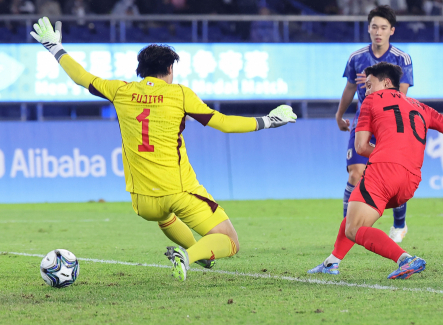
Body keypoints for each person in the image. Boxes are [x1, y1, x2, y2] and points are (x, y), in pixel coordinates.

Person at [30, 17, 297, 282]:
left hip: (143, 203)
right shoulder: (179, 93)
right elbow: (224, 124)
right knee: (229, 240)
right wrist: (270, 121)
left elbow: (81, 77)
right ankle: (189, 256)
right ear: (169, 68)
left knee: (164, 215)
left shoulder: (120, 91)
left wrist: (54, 47)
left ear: (141, 70)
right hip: (178, 190)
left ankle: (198, 253)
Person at [309, 62, 443, 278]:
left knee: (354, 227)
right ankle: (332, 262)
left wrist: (384, 151)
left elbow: (360, 146)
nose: (365, 90)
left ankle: (406, 259)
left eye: (369, 85)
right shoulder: (420, 107)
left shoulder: (371, 101)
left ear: (386, 82)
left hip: (384, 172)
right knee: (356, 216)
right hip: (410, 182)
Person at [336, 6, 413, 243]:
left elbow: (401, 95)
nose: (378, 32)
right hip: (363, 122)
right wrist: (339, 115)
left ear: (392, 30)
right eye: (374, 27)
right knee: (356, 173)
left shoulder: (402, 59)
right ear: (368, 29)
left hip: (390, 125)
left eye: (383, 28)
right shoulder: (356, 58)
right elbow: (350, 87)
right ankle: (348, 226)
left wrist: (374, 84)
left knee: (395, 178)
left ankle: (399, 223)